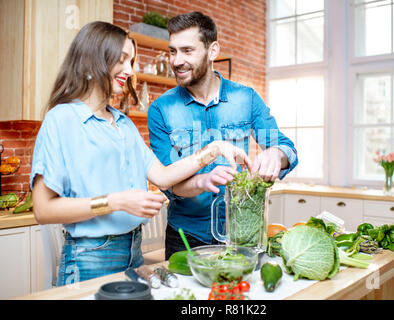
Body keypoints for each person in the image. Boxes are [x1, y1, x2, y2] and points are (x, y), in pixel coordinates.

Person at [31, 21, 250, 286]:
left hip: (133, 251)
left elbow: (164, 176)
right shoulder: (62, 119)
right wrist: (116, 202)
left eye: (131, 61)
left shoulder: (123, 124)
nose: (129, 69)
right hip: (89, 257)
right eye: (121, 60)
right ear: (92, 60)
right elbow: (43, 209)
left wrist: (212, 151)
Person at [147, 12, 298, 260]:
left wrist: (276, 153)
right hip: (185, 237)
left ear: (213, 50)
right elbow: (168, 183)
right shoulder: (160, 110)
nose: (176, 61)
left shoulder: (246, 98)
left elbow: (285, 147)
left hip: (242, 233)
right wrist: (201, 181)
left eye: (187, 50)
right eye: (172, 51)